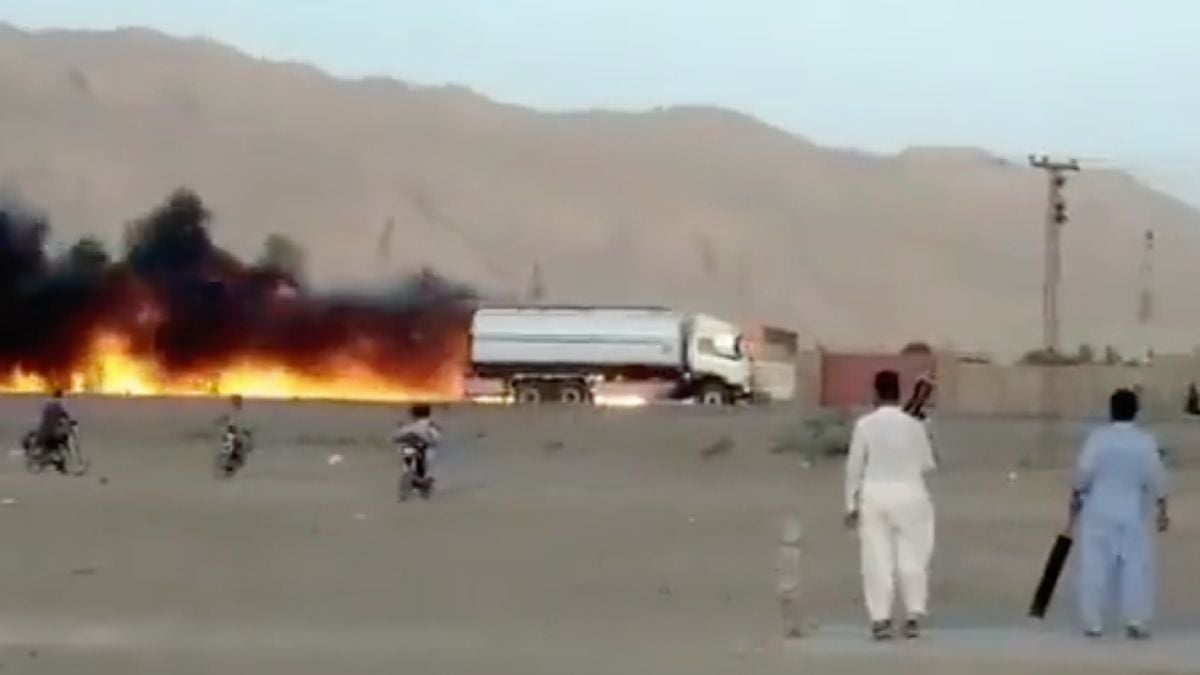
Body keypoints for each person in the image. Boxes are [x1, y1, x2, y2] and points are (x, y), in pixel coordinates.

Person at [844, 370, 938, 640]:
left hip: (875, 495)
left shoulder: (865, 425)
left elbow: (854, 468)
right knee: (913, 557)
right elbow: (928, 464)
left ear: (875, 393)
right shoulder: (914, 425)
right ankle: (913, 614)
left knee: (877, 559)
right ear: (898, 392)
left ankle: (880, 618)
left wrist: (850, 503)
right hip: (911, 494)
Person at [1070, 388, 1169, 639]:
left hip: (1098, 512)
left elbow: (1083, 474)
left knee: (1094, 568)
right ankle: (1136, 621)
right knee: (1136, 569)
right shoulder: (1145, 441)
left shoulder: (1098, 439)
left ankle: (1093, 623)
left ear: (1110, 410)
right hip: (1132, 513)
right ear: (1136, 411)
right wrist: (1162, 509)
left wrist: (1076, 496)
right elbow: (1156, 478)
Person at [393, 404, 441, 497]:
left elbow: (398, 439)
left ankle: (417, 484)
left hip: (418, 452)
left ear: (413, 414)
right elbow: (435, 440)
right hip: (428, 453)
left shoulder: (411, 427)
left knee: (410, 466)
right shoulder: (432, 426)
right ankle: (421, 484)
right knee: (420, 470)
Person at [36, 388, 75, 456]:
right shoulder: (57, 405)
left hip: (43, 431)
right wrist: (71, 423)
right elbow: (64, 416)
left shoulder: (48, 404)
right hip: (51, 433)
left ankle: (54, 452)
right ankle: (67, 453)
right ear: (60, 397)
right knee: (64, 436)